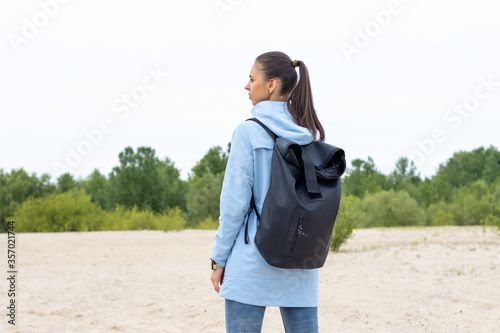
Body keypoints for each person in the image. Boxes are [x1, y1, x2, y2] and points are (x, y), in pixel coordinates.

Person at [210, 51, 325, 333]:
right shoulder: (310, 133)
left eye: (252, 79)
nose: (246, 86)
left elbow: (234, 205)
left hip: (252, 258)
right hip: (300, 259)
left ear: (271, 84)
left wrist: (219, 259)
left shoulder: (248, 133)